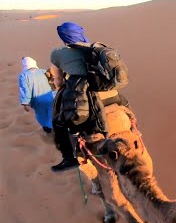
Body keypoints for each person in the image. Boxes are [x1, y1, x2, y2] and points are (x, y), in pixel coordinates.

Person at [50, 21, 129, 172]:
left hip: (85, 97)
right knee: (126, 107)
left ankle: (69, 159)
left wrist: (61, 89)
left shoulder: (57, 53)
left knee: (58, 124)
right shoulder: (95, 48)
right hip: (111, 94)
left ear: (63, 37)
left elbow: (58, 81)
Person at [18, 56, 55, 134]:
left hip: (38, 101)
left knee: (42, 117)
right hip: (50, 97)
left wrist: (25, 103)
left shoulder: (23, 76)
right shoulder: (43, 71)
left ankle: (49, 130)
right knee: (52, 113)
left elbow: (25, 90)